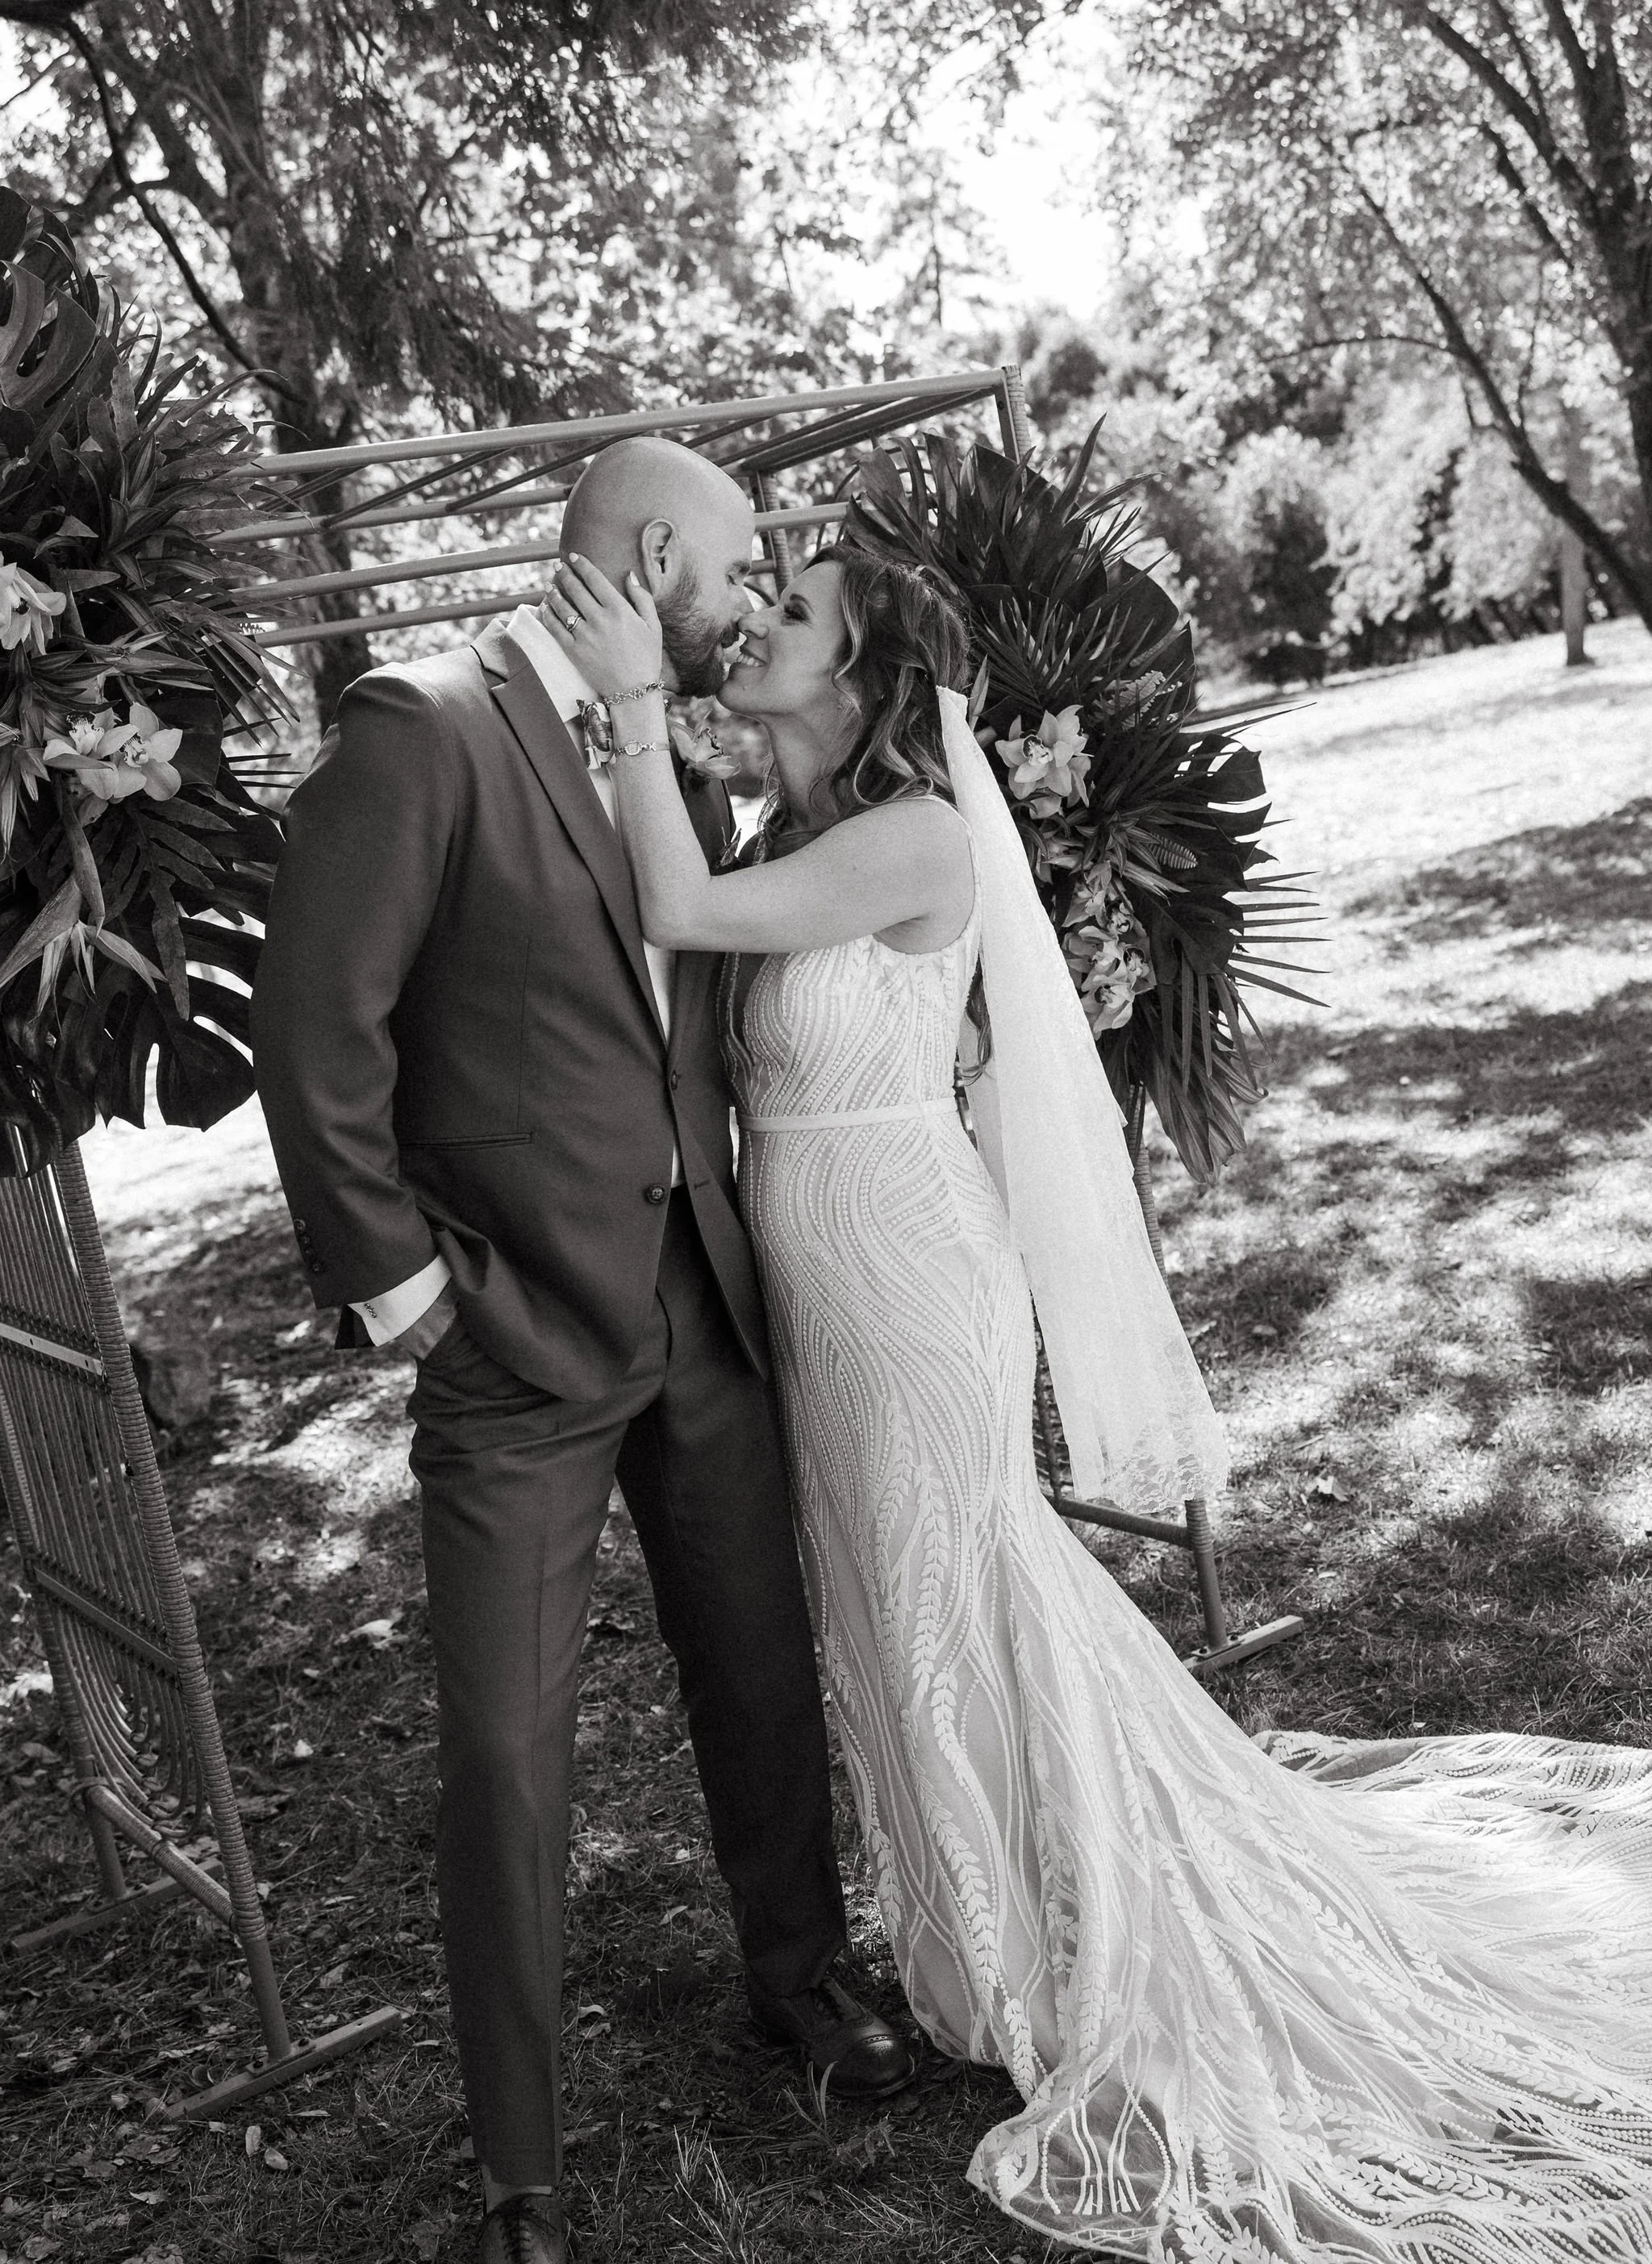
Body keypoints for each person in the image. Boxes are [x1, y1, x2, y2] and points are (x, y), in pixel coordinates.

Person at [541, 537, 1652, 2260]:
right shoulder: (788, 831)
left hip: (909, 1275)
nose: (755, 623)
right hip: (821, 1281)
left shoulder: (912, 833)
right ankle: (988, 1914)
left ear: (870, 677)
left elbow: (675, 913)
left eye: (795, 613)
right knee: (896, 1596)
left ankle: (1054, 1930)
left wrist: (628, 696)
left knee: (957, 1584)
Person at [249, 440, 914, 2264]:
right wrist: (408, 1297)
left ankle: (801, 1973)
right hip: (511, 1336)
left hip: (698, 1299)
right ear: (652, 550)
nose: (751, 595)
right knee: (504, 1749)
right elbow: (315, 1034)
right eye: (740, 565)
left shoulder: (661, 737)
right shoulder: (420, 726)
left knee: (758, 1663)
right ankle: (521, 2171)